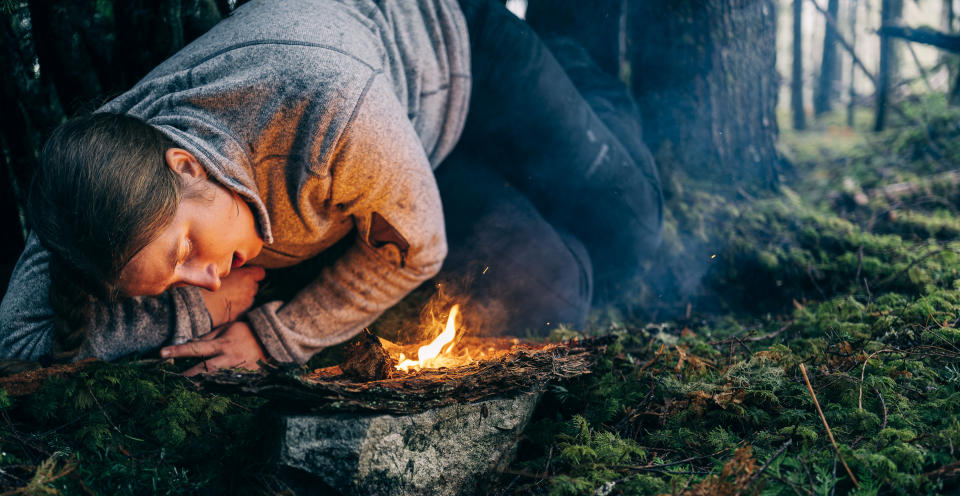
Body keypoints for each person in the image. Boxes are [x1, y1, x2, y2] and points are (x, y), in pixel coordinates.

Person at [0, 0, 662, 375]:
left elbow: (419, 248)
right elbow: (20, 341)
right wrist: (201, 313)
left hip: (458, 49)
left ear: (188, 166)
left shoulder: (320, 104)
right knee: (552, 296)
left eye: (186, 251)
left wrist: (273, 336)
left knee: (630, 230)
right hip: (401, 152)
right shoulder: (95, 193)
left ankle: (575, 55)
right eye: (172, 283)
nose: (204, 279)